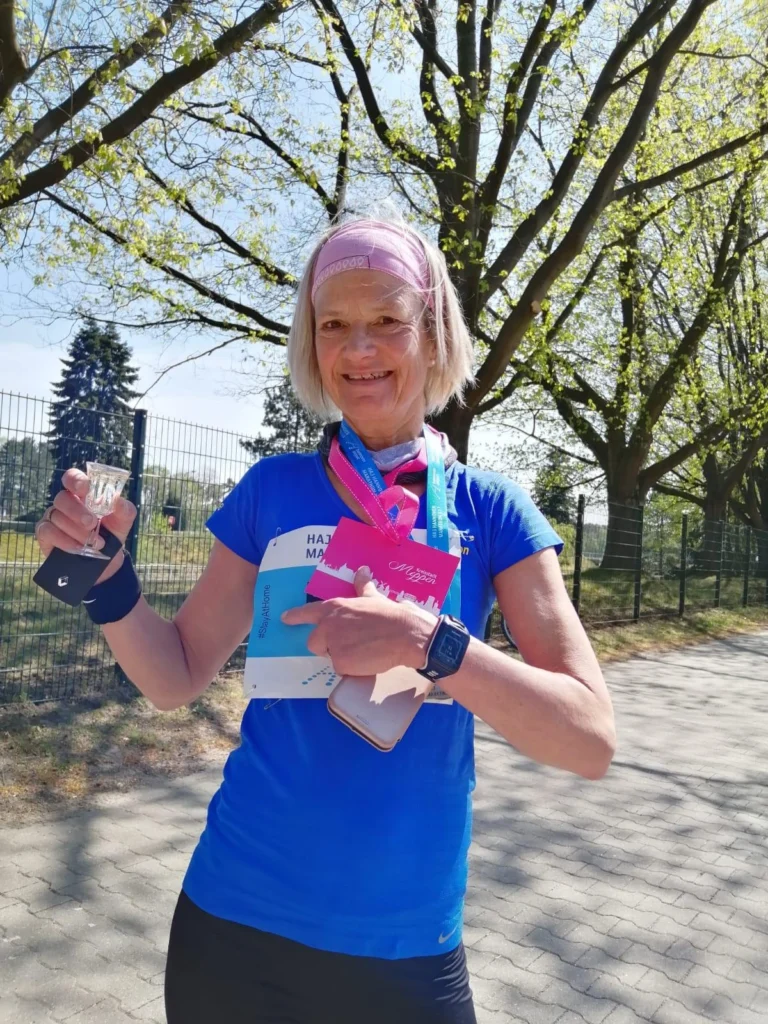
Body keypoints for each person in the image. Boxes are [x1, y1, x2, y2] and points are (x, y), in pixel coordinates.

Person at [34, 217, 616, 1024]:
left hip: (403, 949)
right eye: (333, 325)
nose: (358, 350)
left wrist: (432, 644)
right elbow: (174, 677)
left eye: (386, 321)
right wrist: (107, 581)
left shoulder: (493, 511)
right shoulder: (271, 490)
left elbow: (588, 739)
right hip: (231, 923)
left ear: (433, 330)